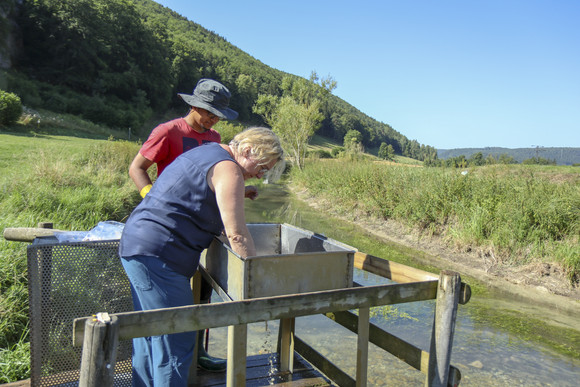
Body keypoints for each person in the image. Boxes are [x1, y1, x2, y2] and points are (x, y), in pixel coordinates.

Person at [119, 127, 284, 387]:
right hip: (161, 255)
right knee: (177, 339)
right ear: (248, 149)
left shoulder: (208, 153)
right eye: (263, 165)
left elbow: (193, 194)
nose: (262, 174)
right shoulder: (229, 169)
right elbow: (238, 235)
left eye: (267, 170)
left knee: (149, 334)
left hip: (139, 246)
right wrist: (255, 277)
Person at [128, 78, 254, 372]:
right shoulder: (168, 131)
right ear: (194, 104)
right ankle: (181, 353)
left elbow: (214, 182)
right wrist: (151, 198)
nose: (212, 118)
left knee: (202, 293)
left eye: (217, 114)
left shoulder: (215, 138)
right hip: (169, 224)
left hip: (196, 230)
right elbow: (137, 168)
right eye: (209, 111)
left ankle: (198, 351)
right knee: (170, 313)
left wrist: (240, 191)